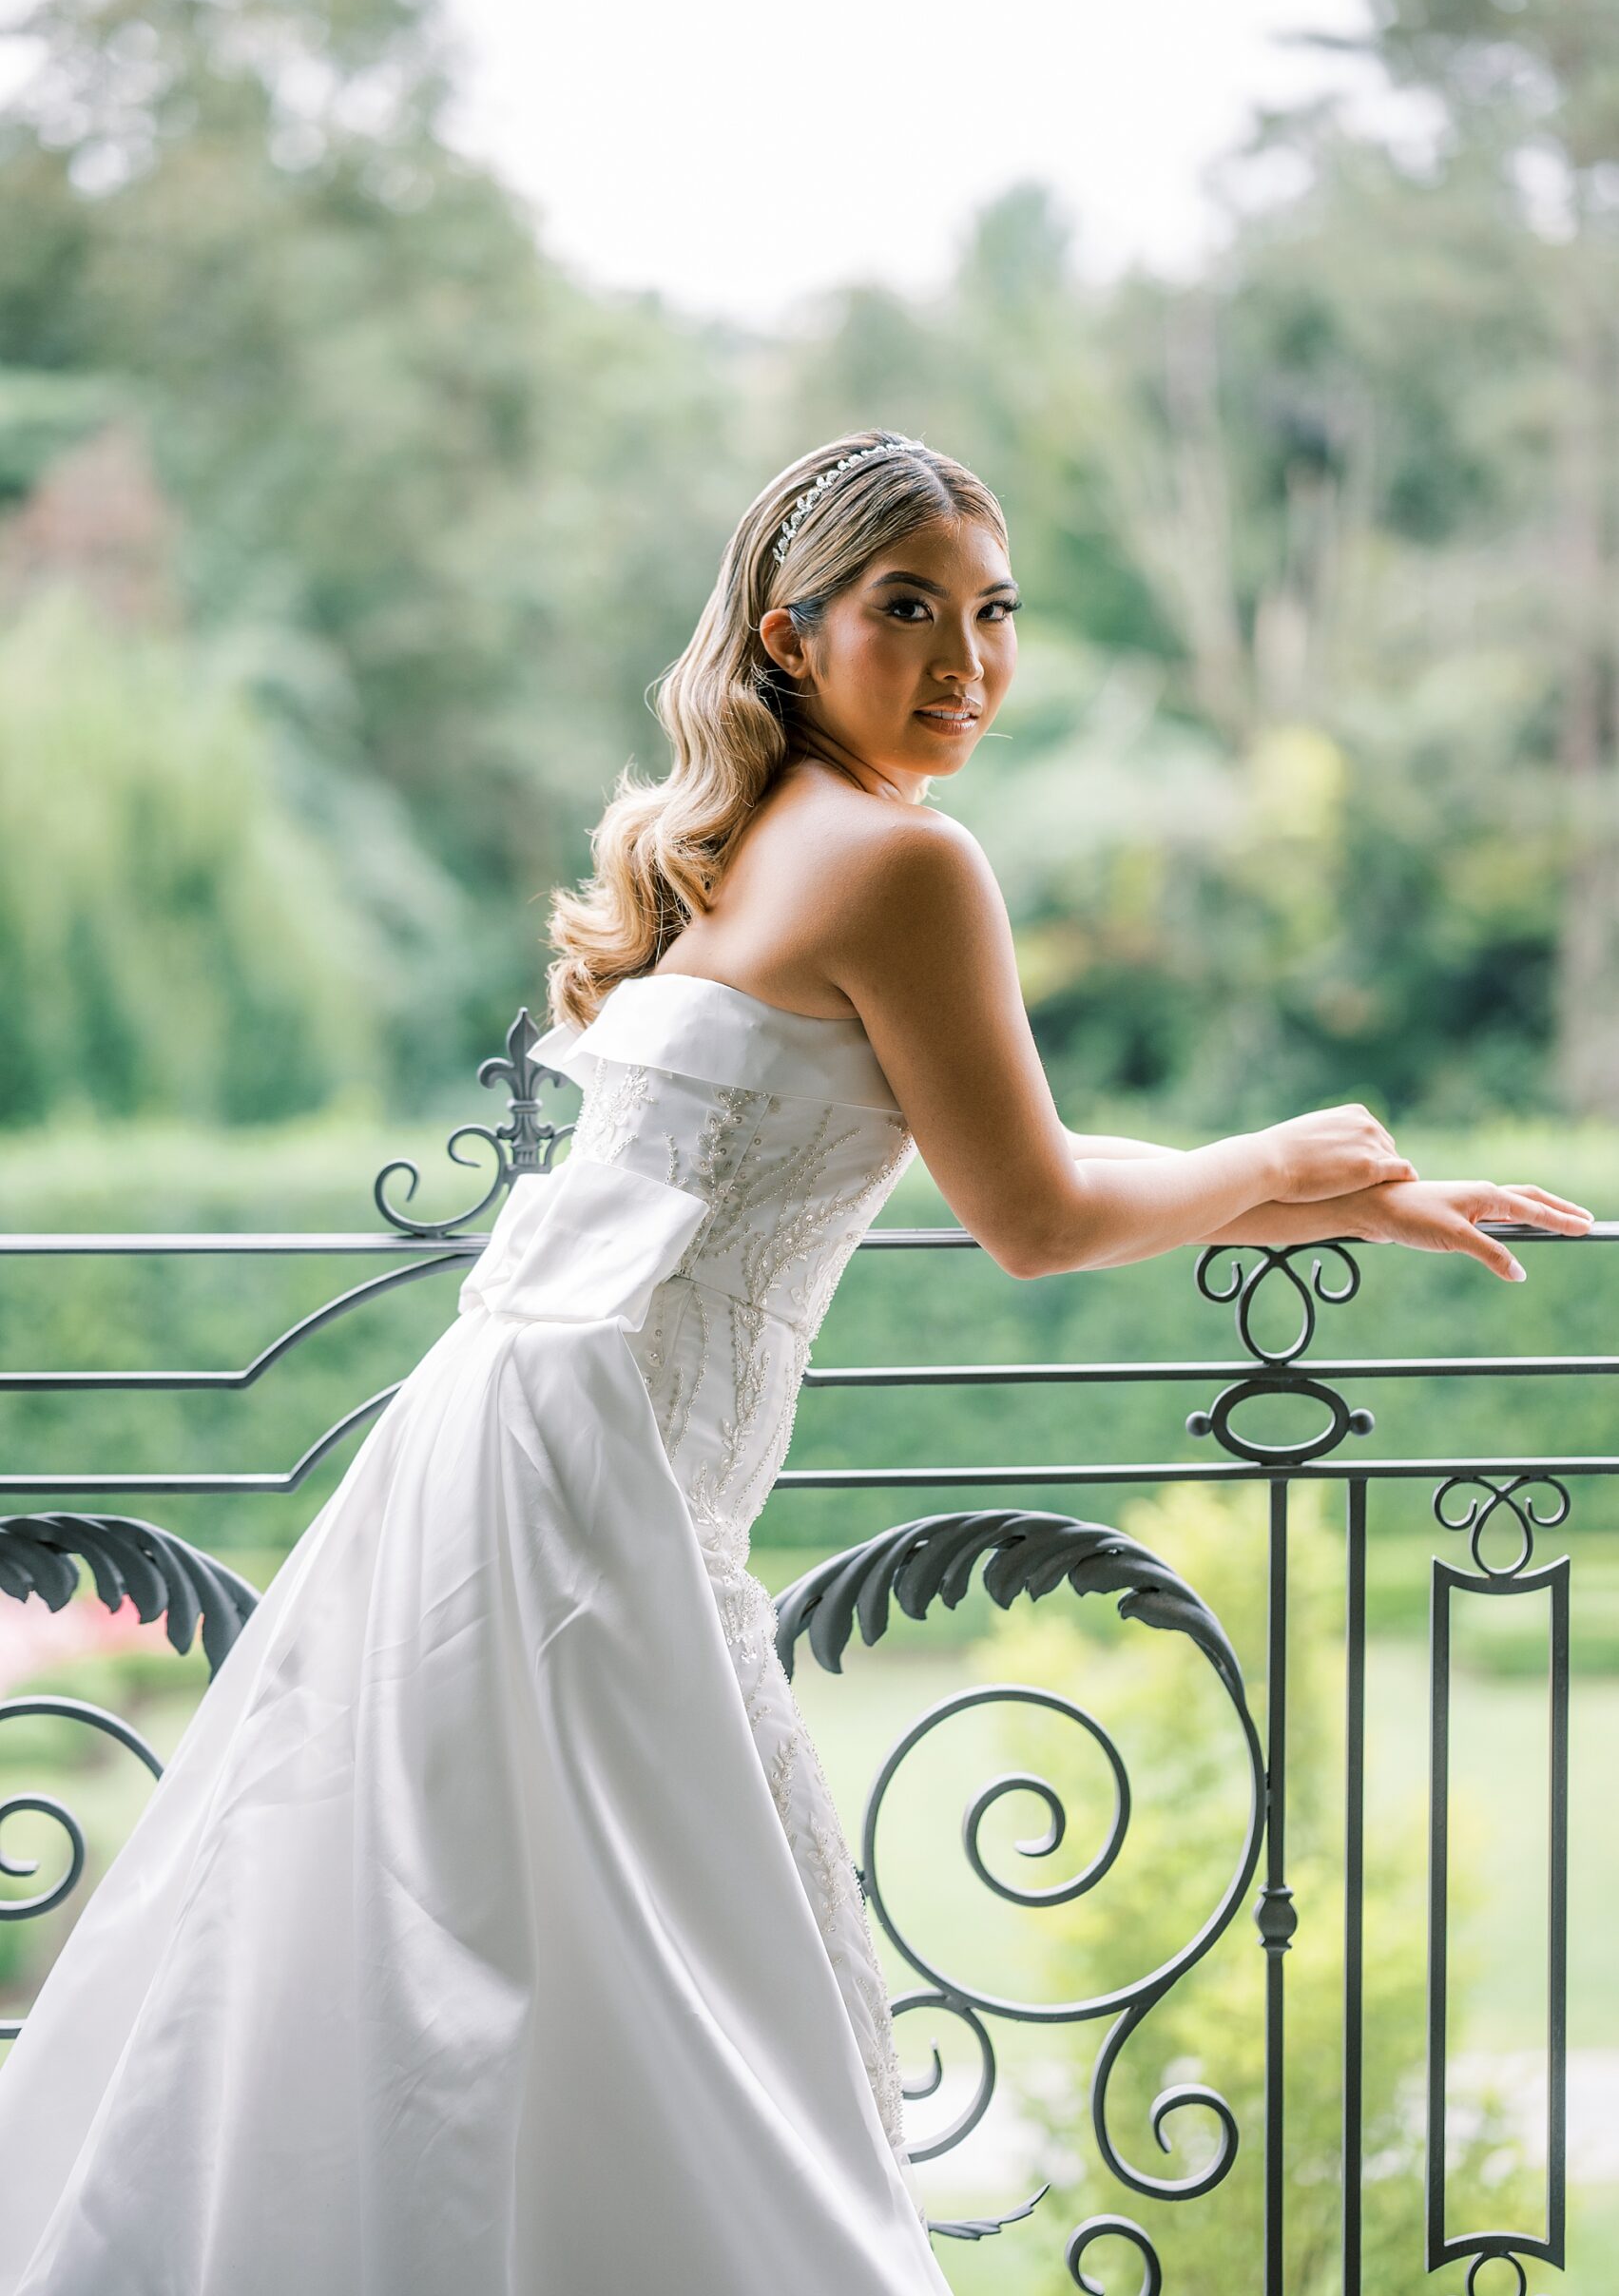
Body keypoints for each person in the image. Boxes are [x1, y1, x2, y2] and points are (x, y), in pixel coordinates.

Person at [0, 431, 1590, 2294]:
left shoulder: (747, 839)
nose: (965, 663)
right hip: (599, 1489)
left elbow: (1033, 1169)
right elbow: (1042, 1216)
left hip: (509, 1439)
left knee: (461, 1958)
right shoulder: (910, 860)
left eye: (993, 614)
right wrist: (1295, 1159)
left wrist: (1328, 1196)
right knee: (652, 1984)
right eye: (907, 609)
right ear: (789, 633)